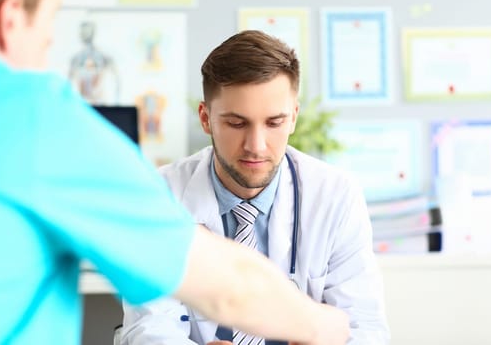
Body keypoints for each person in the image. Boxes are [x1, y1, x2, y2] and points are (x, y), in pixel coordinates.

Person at [0, 0, 351, 344]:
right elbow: (230, 290)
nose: (48, 43)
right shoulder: (29, 119)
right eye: (48, 23)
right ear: (10, 18)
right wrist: (324, 324)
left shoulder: (333, 192)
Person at [121, 30, 390, 344]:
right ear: (206, 119)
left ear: (293, 118)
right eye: (237, 123)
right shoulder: (160, 197)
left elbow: (366, 329)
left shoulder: (335, 196)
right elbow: (149, 328)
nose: (256, 146)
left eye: (274, 122)